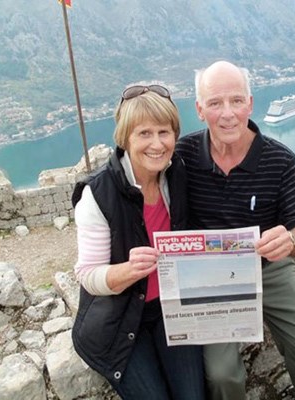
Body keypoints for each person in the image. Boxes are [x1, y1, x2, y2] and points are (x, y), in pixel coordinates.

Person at [176, 61, 295, 400]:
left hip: (269, 268)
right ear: (200, 110)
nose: (228, 113)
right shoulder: (183, 156)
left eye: (236, 100)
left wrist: (289, 240)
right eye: (215, 103)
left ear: (250, 103)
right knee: (221, 375)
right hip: (212, 276)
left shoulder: (279, 158)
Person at [71, 84, 205, 400]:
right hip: (120, 318)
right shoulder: (97, 194)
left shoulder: (178, 174)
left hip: (170, 307)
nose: (157, 144)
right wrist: (130, 270)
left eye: (164, 132)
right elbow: (88, 276)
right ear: (125, 138)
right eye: (144, 133)